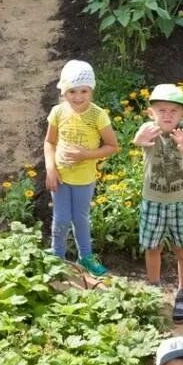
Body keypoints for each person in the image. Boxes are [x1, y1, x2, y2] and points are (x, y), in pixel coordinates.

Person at [43, 59, 118, 276]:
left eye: (84, 91)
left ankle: (85, 257)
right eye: (72, 91)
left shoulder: (98, 115)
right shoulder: (58, 112)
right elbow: (49, 142)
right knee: (61, 218)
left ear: (91, 90)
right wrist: (51, 169)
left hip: (84, 179)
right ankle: (57, 255)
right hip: (60, 177)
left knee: (80, 218)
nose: (78, 97)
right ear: (63, 91)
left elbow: (112, 146)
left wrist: (86, 155)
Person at [133, 84, 183, 321]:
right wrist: (141, 138)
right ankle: (153, 287)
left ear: (182, 114)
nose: (168, 115)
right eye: (162, 110)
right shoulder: (148, 129)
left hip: (181, 200)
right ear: (151, 113)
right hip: (153, 199)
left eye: (173, 111)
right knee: (152, 247)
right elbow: (138, 140)